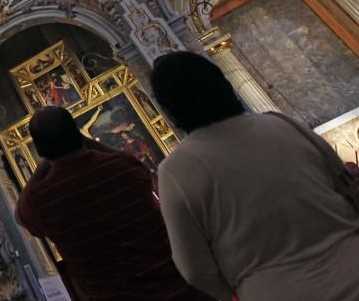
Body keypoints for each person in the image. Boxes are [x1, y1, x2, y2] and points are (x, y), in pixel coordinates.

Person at [151, 51, 359, 301]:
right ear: (222, 83)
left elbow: (194, 269)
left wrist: (244, 288)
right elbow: (346, 185)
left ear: (170, 109)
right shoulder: (281, 125)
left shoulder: (176, 170)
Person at [15, 106, 210, 301]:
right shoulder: (122, 168)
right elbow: (134, 165)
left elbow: (20, 215)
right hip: (179, 289)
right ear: (77, 134)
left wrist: (46, 161)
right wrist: (84, 141)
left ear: (41, 150)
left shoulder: (42, 201)